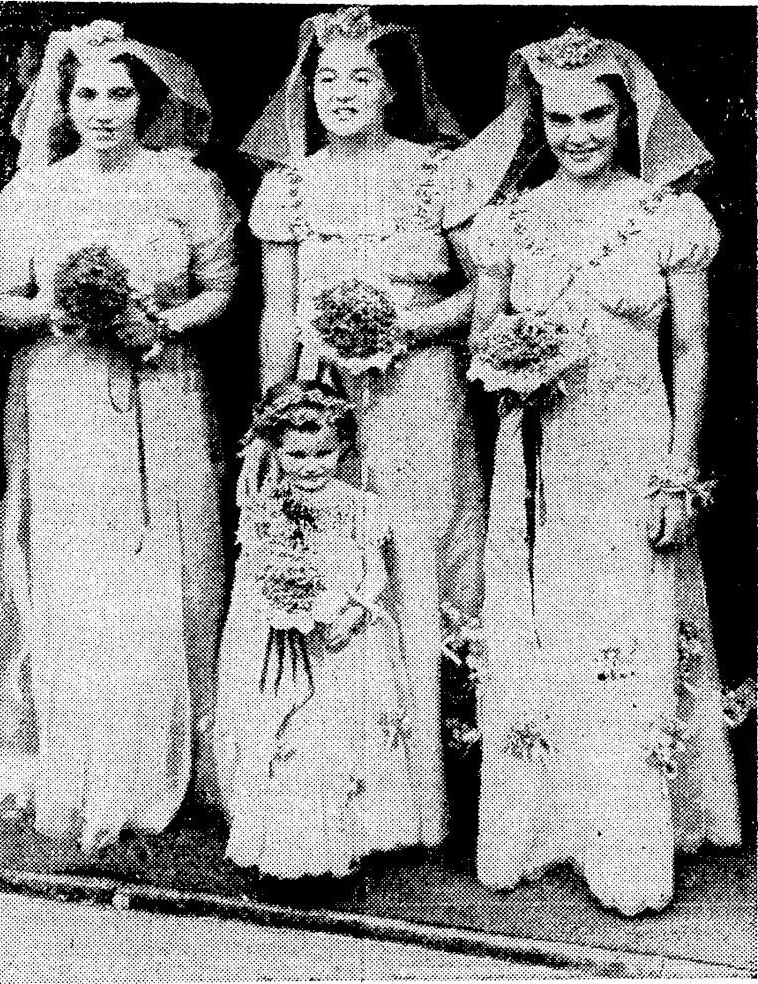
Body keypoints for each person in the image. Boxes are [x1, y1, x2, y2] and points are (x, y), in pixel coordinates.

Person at [465, 27, 741, 914]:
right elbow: (484, 334)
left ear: (627, 118)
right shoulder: (509, 219)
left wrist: (677, 469)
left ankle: (625, 842)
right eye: (560, 118)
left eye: (595, 116)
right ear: (538, 122)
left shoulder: (665, 215)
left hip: (630, 443)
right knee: (545, 619)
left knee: (623, 623)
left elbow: (690, 347)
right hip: (539, 446)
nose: (578, 133)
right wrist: (510, 361)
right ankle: (539, 827)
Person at [0, 20, 238, 856]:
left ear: (145, 103)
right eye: (87, 93)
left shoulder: (186, 185)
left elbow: (218, 288)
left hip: (161, 386)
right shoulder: (34, 193)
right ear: (66, 103)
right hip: (65, 394)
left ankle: (165, 756)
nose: (104, 110)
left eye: (121, 94)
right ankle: (80, 756)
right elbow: (5, 302)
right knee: (77, 562)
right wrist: (60, 311)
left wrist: (159, 324)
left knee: (164, 559)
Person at [238, 5, 486, 846]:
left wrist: (404, 326)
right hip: (325, 397)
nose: (340, 93)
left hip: (418, 390)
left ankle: (427, 789)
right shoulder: (289, 186)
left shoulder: (439, 173)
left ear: (391, 89)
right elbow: (278, 311)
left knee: (415, 551)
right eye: (325, 78)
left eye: (360, 77)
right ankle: (332, 789)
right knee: (331, 555)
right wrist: (274, 417)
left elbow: (483, 293)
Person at [214, 381, 419, 878]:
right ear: (275, 450)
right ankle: (281, 846)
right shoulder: (265, 508)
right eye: (296, 455)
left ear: (343, 449)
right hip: (283, 638)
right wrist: (278, 602)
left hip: (344, 639)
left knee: (333, 738)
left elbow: (373, 572)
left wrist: (346, 612)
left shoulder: (361, 506)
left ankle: (335, 845)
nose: (309, 467)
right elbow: (254, 569)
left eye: (322, 454)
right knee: (284, 733)